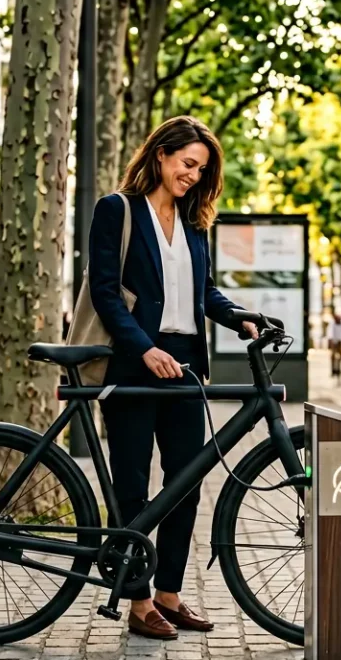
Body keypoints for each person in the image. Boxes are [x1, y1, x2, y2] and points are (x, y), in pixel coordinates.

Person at [88, 116, 256, 641]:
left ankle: (169, 594)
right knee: (133, 485)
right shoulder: (117, 210)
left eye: (201, 170)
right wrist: (144, 349)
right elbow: (106, 292)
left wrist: (241, 317)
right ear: (160, 155)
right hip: (135, 363)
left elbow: (205, 293)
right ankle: (137, 601)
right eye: (188, 164)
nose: (193, 176)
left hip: (185, 364)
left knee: (184, 484)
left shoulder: (195, 223)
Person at [325, 312, 341, 378]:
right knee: (333, 356)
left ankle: (340, 368)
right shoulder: (332, 323)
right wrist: (330, 341)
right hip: (334, 341)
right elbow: (329, 333)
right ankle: (333, 370)